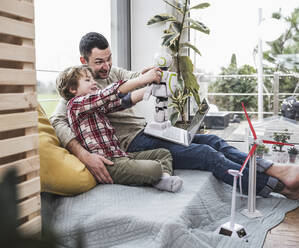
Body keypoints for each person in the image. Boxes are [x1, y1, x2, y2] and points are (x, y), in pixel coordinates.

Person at [50, 32, 299, 199]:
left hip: (147, 130)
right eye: (98, 62)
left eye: (109, 59)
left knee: (212, 141)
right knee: (206, 155)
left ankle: (273, 168)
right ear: (84, 60)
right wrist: (84, 155)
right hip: (132, 143)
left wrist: (151, 71)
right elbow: (57, 122)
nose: (106, 67)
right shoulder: (78, 92)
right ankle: (276, 186)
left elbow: (133, 77)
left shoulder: (110, 73)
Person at [56, 64, 182, 192]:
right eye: (88, 80)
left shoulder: (95, 107)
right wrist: (144, 79)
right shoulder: (76, 105)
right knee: (155, 168)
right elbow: (106, 94)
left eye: (93, 79)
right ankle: (158, 175)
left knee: (164, 153)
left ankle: (163, 180)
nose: (94, 82)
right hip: (109, 163)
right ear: (72, 89)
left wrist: (151, 89)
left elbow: (121, 102)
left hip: (119, 155)